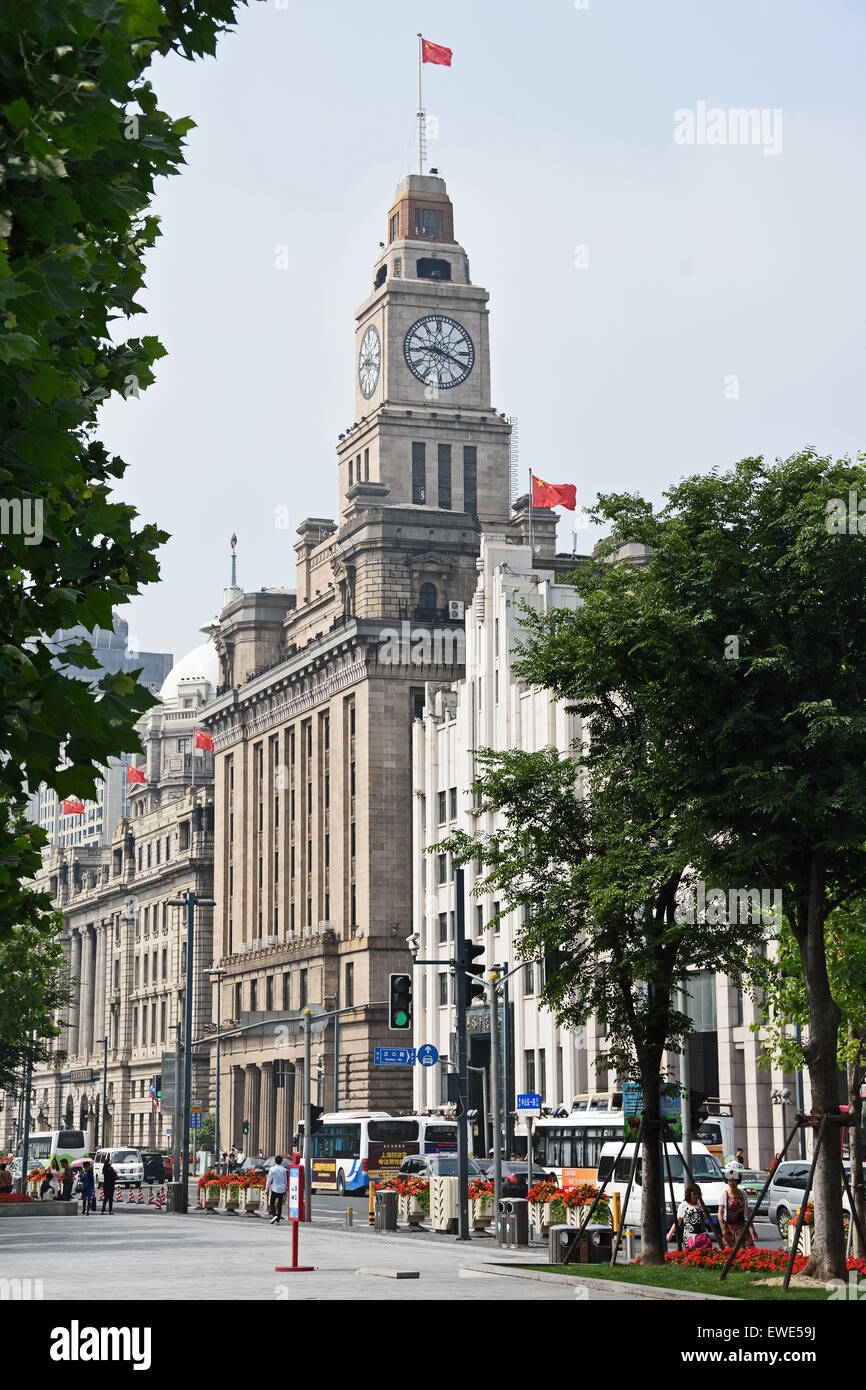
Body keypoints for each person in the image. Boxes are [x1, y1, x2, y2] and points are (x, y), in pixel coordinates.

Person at [718, 1165, 756, 1249]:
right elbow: (720, 1214)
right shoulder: (725, 1195)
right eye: (729, 1181)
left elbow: (747, 1212)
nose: (731, 1183)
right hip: (730, 1227)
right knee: (732, 1251)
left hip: (742, 1226)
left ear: (737, 1181)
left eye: (734, 1181)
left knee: (747, 1250)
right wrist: (723, 1229)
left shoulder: (743, 1194)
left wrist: (753, 1229)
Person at [667, 1184, 712, 1249]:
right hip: (690, 1235)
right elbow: (678, 1221)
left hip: (702, 1234)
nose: (696, 1196)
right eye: (694, 1194)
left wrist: (702, 1207)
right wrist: (670, 1233)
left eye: (698, 1194)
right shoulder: (683, 1205)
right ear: (689, 1194)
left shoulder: (700, 1203)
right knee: (691, 1253)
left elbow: (707, 1218)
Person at [265, 1156, 288, 1224]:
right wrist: (285, 1189)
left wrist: (266, 1189)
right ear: (281, 1161)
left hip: (275, 1188)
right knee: (279, 1205)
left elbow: (269, 1180)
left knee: (272, 1203)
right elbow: (285, 1180)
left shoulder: (272, 1169)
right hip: (282, 1189)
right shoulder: (284, 1169)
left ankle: (274, 1215)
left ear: (275, 1161)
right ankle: (278, 1220)